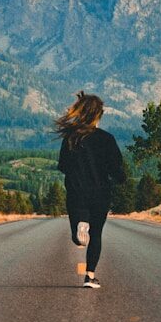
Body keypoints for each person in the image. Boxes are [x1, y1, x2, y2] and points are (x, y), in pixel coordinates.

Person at [55, 91, 126, 289]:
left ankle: (80, 224)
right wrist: (121, 179)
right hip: (101, 193)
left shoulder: (71, 138)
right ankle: (90, 276)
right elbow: (116, 168)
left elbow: (63, 166)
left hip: (77, 192)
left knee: (77, 235)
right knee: (96, 235)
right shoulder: (107, 139)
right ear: (99, 115)